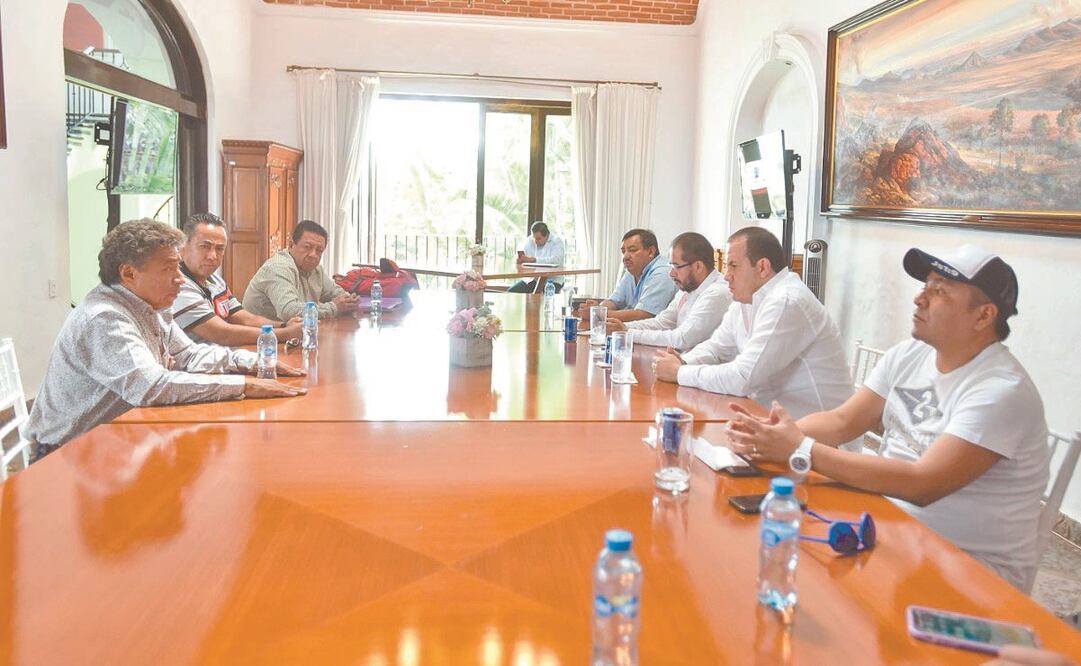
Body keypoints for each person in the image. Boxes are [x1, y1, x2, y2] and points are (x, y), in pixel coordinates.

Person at [725, 244, 1050, 591]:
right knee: (761, 564)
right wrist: (769, 437)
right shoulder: (912, 353)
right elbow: (842, 421)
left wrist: (799, 447)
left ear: (984, 316)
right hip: (889, 527)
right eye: (925, 286)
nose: (919, 299)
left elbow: (922, 483)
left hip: (969, 571)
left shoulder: (1002, 390)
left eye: (939, 291)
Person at [25, 220, 306, 459]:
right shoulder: (105, 318)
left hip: (117, 436)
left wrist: (252, 362)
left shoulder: (152, 306)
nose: (179, 279)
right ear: (128, 273)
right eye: (169, 269)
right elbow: (151, 386)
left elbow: (191, 355)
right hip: (69, 451)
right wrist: (243, 385)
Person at [653, 226, 851, 419]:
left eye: (733, 266)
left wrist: (680, 372)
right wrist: (683, 361)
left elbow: (742, 378)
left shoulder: (786, 300)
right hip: (766, 419)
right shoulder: (747, 298)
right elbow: (716, 347)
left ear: (763, 267)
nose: (727, 275)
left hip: (816, 439)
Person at [173, 213, 303, 345]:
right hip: (193, 364)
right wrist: (286, 333)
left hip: (222, 357)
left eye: (219, 249)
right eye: (204, 246)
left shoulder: (214, 280)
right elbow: (221, 334)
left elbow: (242, 317)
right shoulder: (177, 285)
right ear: (183, 247)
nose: (212, 256)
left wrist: (284, 325)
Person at [607, 231, 731, 352]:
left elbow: (682, 338)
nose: (671, 274)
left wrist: (628, 333)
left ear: (698, 266)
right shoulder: (689, 286)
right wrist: (623, 327)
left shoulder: (717, 293)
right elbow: (663, 322)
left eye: (676, 266)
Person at [242, 220, 358, 321]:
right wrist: (334, 307)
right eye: (307, 247)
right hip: (262, 339)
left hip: (292, 335)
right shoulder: (278, 268)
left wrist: (349, 301)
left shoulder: (316, 269)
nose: (313, 255)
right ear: (291, 245)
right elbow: (289, 311)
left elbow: (336, 294)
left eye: (319, 250)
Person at [576, 228, 676, 323]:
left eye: (632, 250)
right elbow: (614, 301)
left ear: (651, 252)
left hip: (659, 336)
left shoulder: (662, 272)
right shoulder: (632, 271)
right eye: (623, 251)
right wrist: (598, 308)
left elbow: (644, 315)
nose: (625, 257)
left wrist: (598, 313)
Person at [509, 221, 566, 293]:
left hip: (552, 281)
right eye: (534, 238)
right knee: (511, 292)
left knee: (541, 299)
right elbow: (519, 256)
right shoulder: (530, 240)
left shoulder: (556, 241)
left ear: (547, 235)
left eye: (539, 238)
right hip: (533, 279)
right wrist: (518, 259)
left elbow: (557, 260)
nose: (535, 241)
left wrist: (534, 259)